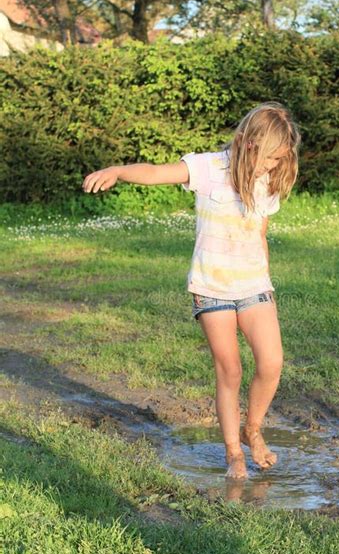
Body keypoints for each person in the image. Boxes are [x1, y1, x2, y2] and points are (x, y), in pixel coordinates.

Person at [82, 101, 301, 480]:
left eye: (281, 159)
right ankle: (233, 451)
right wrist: (117, 170)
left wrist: (266, 283)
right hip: (212, 287)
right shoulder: (208, 167)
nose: (274, 166)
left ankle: (253, 429)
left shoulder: (267, 181)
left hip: (253, 284)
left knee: (272, 362)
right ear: (251, 145)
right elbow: (154, 172)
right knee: (229, 370)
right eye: (271, 158)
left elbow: (260, 234)